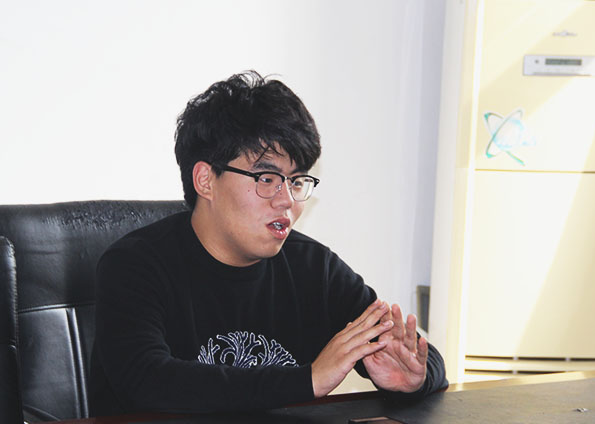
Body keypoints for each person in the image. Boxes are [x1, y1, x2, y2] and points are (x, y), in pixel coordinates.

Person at [89, 71, 447, 416]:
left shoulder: (314, 268)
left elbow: (416, 353)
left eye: (296, 181)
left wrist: (414, 377)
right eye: (267, 177)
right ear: (206, 180)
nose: (286, 200)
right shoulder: (134, 265)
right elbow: (147, 380)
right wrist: (307, 381)